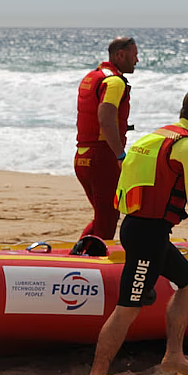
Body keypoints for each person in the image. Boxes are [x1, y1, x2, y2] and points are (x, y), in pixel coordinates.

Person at [81, 86, 188, 375]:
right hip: (147, 236)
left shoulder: (153, 138)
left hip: (144, 229)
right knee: (127, 308)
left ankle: (174, 354)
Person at [74, 37, 138, 240]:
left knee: (104, 217)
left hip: (82, 157)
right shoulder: (114, 82)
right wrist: (120, 156)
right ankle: (90, 264)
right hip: (101, 159)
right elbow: (106, 120)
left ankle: (78, 256)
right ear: (120, 54)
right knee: (107, 219)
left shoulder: (92, 77)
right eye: (134, 55)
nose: (137, 60)